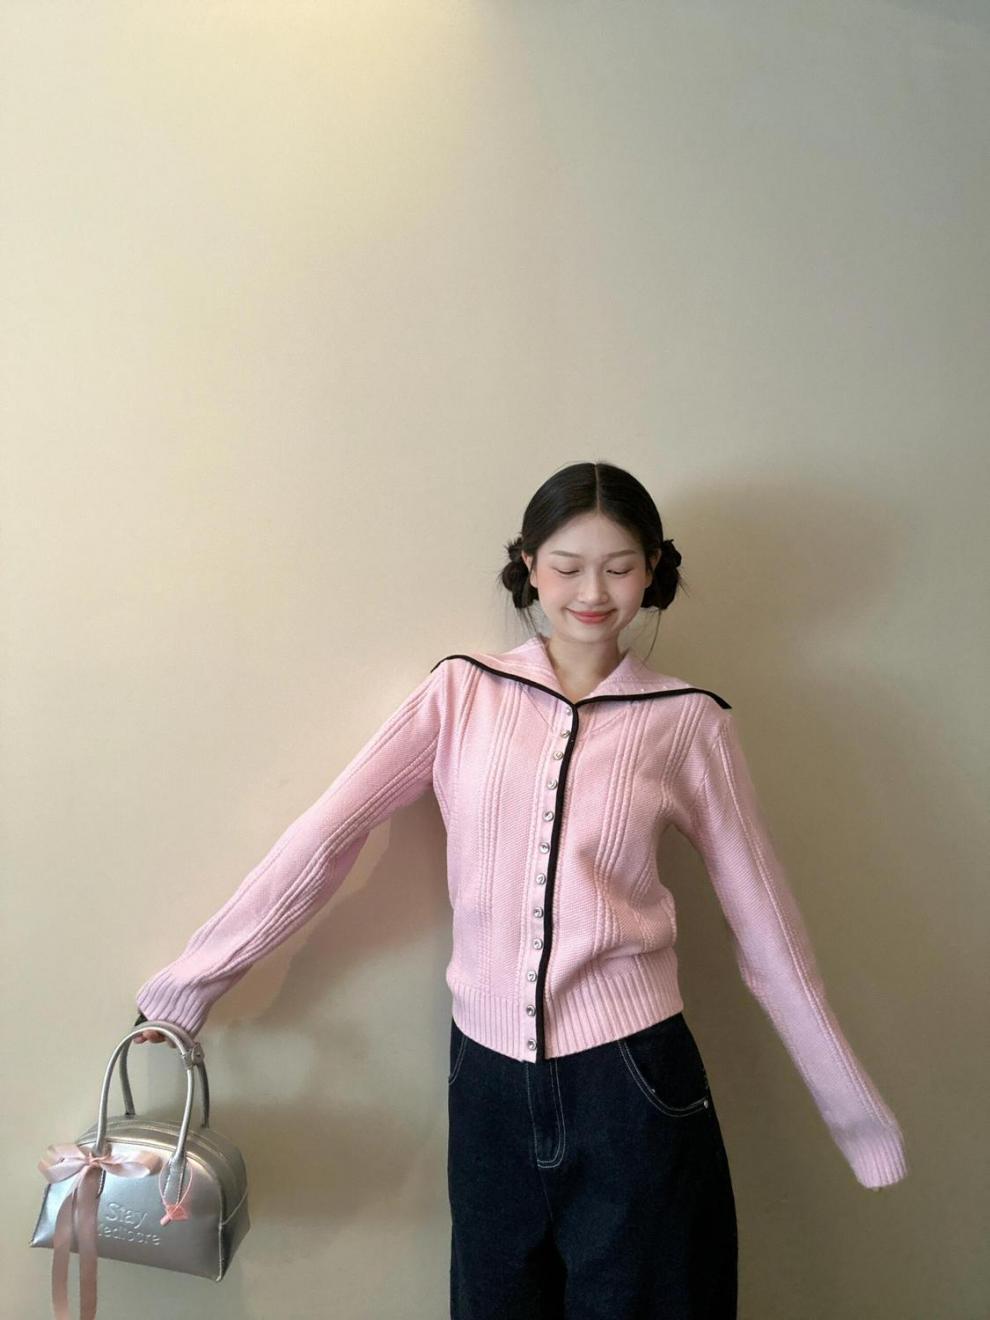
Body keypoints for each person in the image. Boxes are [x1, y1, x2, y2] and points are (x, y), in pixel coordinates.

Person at [133, 460, 908, 1318]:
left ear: (652, 570)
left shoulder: (688, 721)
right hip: (486, 1080)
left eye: (619, 567)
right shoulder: (461, 692)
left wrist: (857, 1118)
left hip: (635, 1082)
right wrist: (194, 983)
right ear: (530, 565)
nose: (592, 592)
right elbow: (327, 837)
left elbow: (768, 929)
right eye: (568, 566)